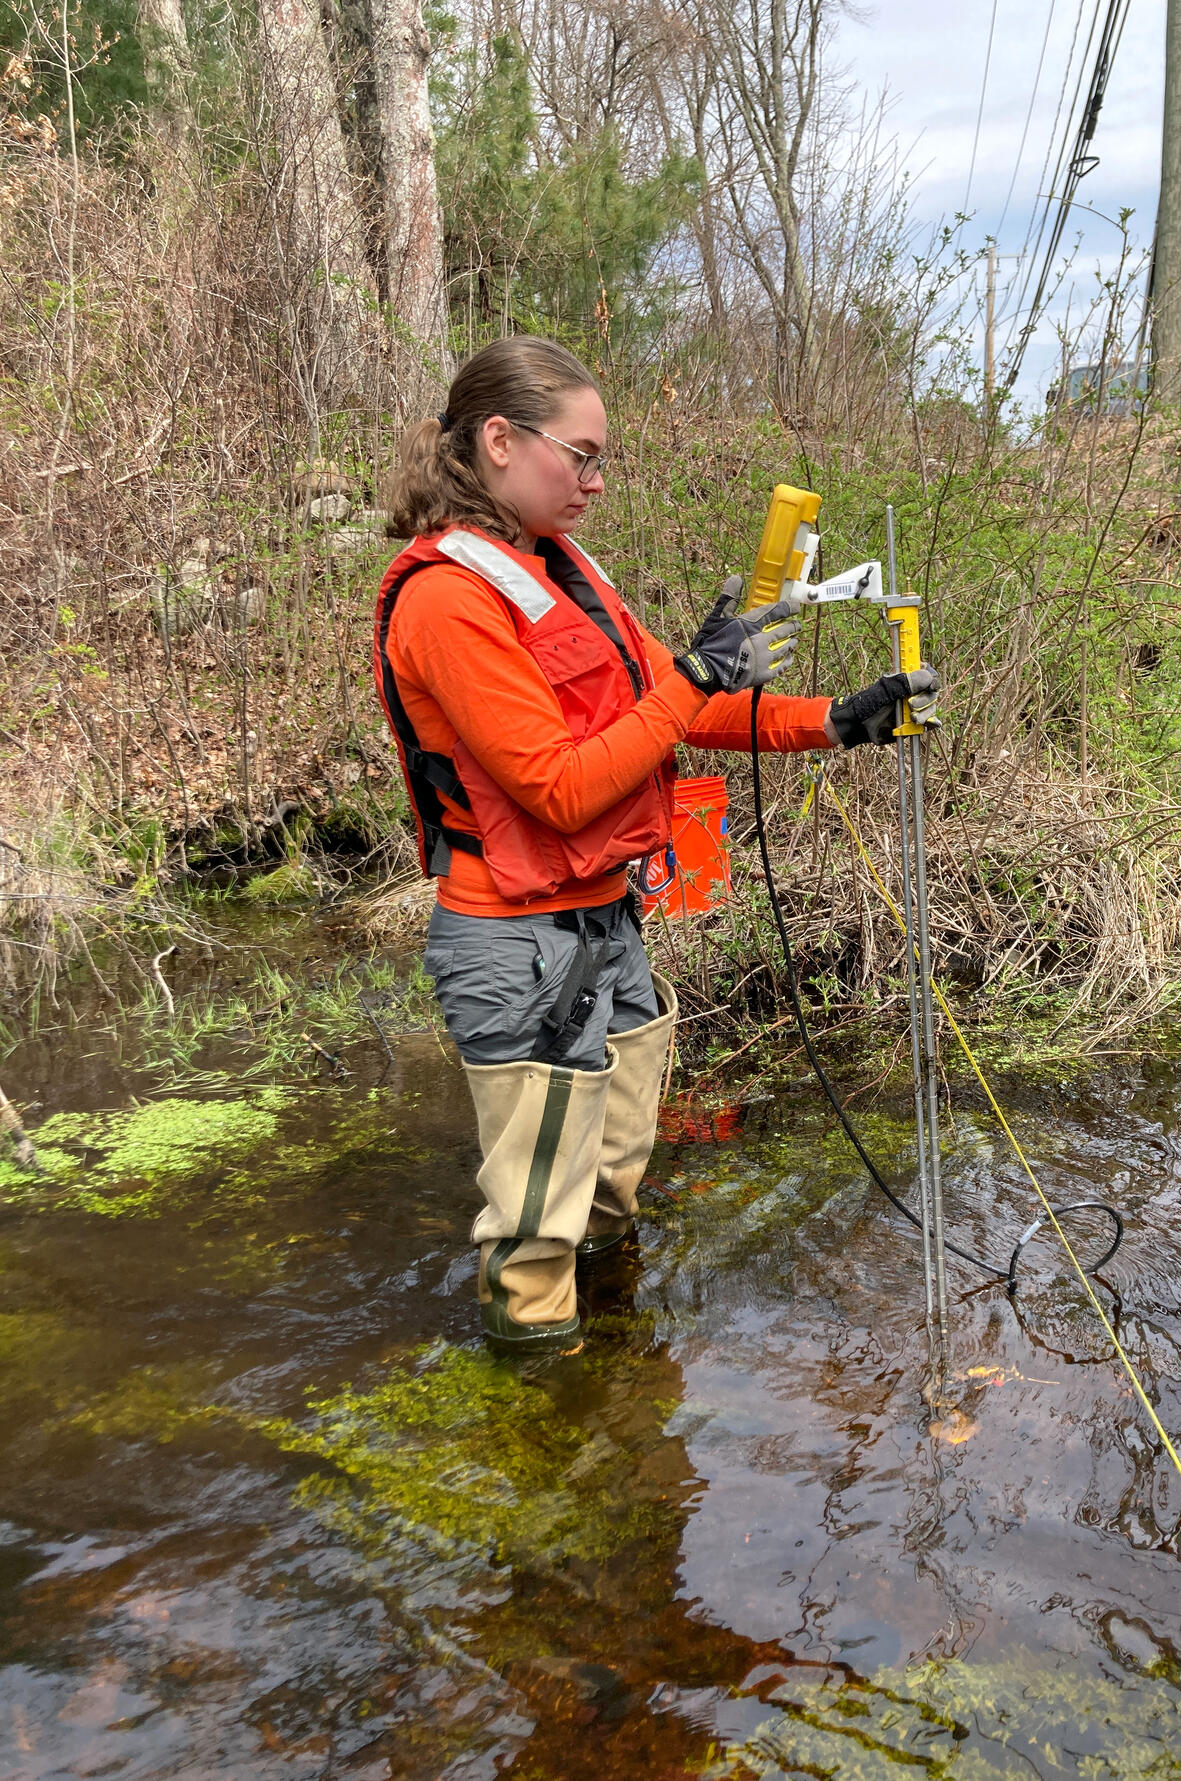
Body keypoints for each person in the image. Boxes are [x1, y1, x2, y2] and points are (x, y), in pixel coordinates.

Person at [375, 336, 938, 1353]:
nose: (595, 480)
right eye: (578, 453)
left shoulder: (559, 569)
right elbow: (557, 785)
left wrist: (838, 720)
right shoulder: (447, 600)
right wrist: (692, 678)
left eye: (602, 457)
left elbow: (681, 711)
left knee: (613, 1175)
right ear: (498, 441)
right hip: (515, 941)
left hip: (605, 921)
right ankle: (545, 1424)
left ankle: (618, 1375)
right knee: (539, 1223)